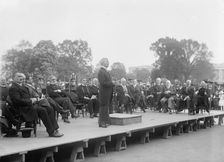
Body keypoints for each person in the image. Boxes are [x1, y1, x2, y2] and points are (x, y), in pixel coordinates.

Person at [9, 73, 63, 137]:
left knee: (49, 108)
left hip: (29, 105)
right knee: (43, 110)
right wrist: (31, 100)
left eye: (23, 77)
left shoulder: (22, 85)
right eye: (19, 76)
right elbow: (17, 101)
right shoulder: (13, 87)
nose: (22, 78)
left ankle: (56, 129)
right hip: (23, 108)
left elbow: (28, 96)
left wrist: (36, 98)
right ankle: (51, 132)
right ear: (14, 78)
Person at [97, 58, 114, 128]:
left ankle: (106, 121)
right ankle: (101, 122)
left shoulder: (106, 71)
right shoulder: (101, 71)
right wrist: (112, 83)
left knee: (106, 107)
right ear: (103, 63)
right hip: (104, 92)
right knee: (103, 107)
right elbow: (103, 82)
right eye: (106, 62)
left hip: (107, 92)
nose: (108, 63)